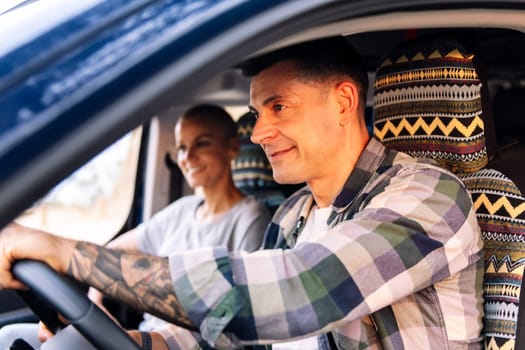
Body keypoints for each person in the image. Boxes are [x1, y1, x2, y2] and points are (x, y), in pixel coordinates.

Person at [0, 36, 484, 349]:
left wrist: (68, 255)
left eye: (279, 107)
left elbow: (297, 290)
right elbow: (239, 334)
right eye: (257, 114)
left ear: (343, 102)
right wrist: (133, 342)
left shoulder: (429, 197)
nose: (258, 133)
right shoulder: (294, 213)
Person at [0, 104, 271, 349]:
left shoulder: (251, 218)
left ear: (232, 148)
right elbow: (105, 257)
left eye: (202, 144)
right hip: (141, 338)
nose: (187, 156)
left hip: (187, 345)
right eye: (181, 147)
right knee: (9, 337)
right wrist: (94, 304)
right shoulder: (182, 210)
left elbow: (238, 313)